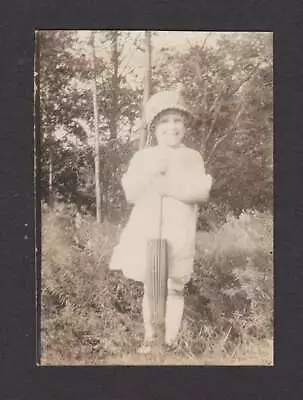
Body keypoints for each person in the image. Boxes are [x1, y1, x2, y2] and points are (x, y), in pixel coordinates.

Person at [109, 89, 213, 354]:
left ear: (185, 125)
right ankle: (151, 337)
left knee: (175, 284)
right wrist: (151, 175)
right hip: (149, 227)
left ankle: (171, 340)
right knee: (152, 282)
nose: (172, 127)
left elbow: (200, 192)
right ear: (154, 127)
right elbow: (131, 193)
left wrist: (170, 186)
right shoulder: (143, 157)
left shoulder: (192, 157)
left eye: (177, 120)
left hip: (179, 228)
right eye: (165, 121)